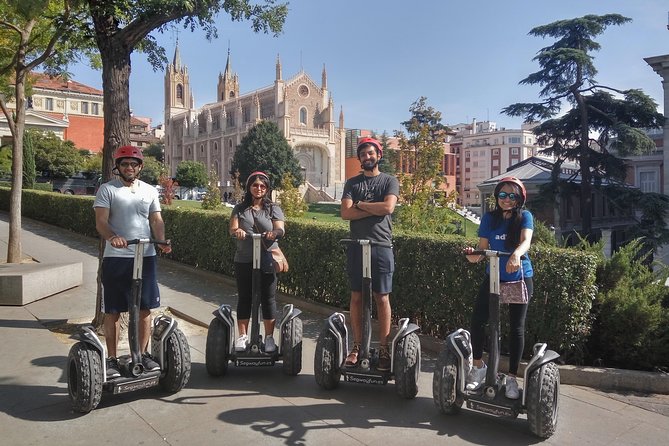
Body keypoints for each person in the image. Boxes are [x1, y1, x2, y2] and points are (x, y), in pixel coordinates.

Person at [93, 145, 172, 379]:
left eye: (133, 164)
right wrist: (113, 237)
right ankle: (112, 358)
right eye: (125, 164)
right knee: (114, 310)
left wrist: (161, 241)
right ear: (118, 167)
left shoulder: (149, 191)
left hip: (145, 255)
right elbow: (101, 221)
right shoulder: (107, 190)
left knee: (145, 307)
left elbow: (156, 219)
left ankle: (143, 354)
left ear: (140, 167)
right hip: (117, 257)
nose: (129, 167)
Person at [464, 176, 534, 399]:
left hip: (519, 276)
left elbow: (526, 242)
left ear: (520, 198)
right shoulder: (489, 219)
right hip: (493, 277)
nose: (507, 199)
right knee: (478, 320)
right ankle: (478, 367)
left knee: (516, 328)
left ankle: (512, 377)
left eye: (512, 196)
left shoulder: (525, 217)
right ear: (497, 197)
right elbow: (482, 249)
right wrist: (471, 255)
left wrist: (516, 254)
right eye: (502, 195)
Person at [340, 137, 399, 371]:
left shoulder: (389, 181)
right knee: (356, 297)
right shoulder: (352, 183)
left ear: (379, 155)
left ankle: (383, 348)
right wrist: (371, 208)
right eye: (363, 154)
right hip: (357, 245)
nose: (367, 157)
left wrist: (361, 205)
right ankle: (357, 346)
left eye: (371, 153)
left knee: (382, 297)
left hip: (381, 246)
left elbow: (388, 208)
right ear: (359, 159)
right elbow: (345, 214)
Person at [229, 171, 285, 353]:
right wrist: (237, 232)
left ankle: (269, 338)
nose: (259, 188)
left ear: (267, 189)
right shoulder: (239, 208)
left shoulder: (273, 208)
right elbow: (233, 227)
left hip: (267, 258)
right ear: (249, 187)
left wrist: (274, 233)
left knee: (268, 299)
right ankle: (243, 336)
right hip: (244, 259)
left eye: (262, 186)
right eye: (255, 185)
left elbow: (280, 229)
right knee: (245, 297)